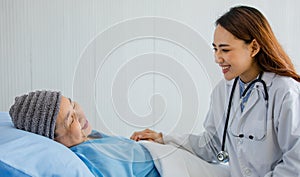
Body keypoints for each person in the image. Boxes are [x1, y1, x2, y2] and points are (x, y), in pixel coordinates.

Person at [131, 5, 300, 177]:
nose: (217, 58)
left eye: (225, 49)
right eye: (215, 49)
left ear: (254, 48)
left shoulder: (284, 91)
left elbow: (296, 161)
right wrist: (163, 139)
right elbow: (211, 145)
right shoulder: (223, 91)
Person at [9, 90, 160, 177]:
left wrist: (152, 142)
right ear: (55, 140)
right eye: (71, 119)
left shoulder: (88, 136)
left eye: (73, 105)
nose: (80, 115)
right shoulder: (92, 159)